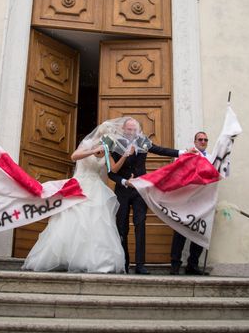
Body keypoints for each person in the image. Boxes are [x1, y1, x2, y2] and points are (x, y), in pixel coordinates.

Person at [22, 120, 129, 273]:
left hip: (97, 187)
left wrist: (124, 156)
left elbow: (113, 169)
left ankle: (94, 260)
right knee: (72, 220)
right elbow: (74, 156)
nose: (109, 139)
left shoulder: (106, 148)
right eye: (107, 136)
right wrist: (93, 151)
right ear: (101, 134)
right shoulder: (88, 142)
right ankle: (63, 258)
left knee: (97, 222)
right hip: (81, 185)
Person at [107, 117, 193, 274]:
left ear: (138, 130)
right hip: (122, 191)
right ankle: (124, 263)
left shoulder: (142, 142)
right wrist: (125, 182)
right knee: (122, 227)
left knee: (140, 225)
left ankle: (140, 265)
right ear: (123, 129)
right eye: (129, 129)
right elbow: (111, 173)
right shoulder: (114, 144)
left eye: (134, 130)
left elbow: (161, 150)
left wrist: (183, 152)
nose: (132, 132)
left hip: (140, 190)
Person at [169, 131, 211, 275]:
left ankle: (192, 265)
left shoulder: (211, 158)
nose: (203, 142)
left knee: (199, 232)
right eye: (200, 139)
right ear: (194, 141)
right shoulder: (186, 155)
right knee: (180, 232)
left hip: (202, 201)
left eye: (205, 140)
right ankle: (175, 264)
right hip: (185, 200)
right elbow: (175, 172)